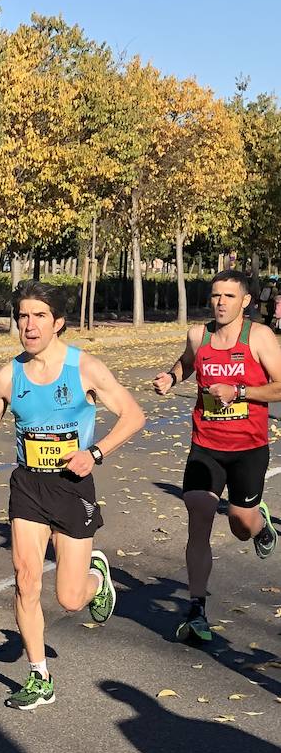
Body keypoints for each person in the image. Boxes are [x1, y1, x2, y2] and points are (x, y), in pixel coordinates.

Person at [0, 280, 145, 710]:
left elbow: (134, 416)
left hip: (72, 485)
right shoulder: (7, 375)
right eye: (22, 315)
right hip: (28, 484)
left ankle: (96, 580)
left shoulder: (86, 369)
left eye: (39, 315)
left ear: (58, 322)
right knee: (25, 579)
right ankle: (39, 676)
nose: (29, 324)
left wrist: (95, 452)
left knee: (70, 599)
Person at [152, 269, 281, 643]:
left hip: (248, 448)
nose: (220, 302)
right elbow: (188, 361)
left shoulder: (259, 337)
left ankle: (260, 525)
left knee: (240, 524)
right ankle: (196, 609)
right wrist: (172, 378)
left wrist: (239, 391)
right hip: (206, 444)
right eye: (214, 295)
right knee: (199, 513)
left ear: (245, 302)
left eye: (228, 296)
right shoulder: (199, 334)